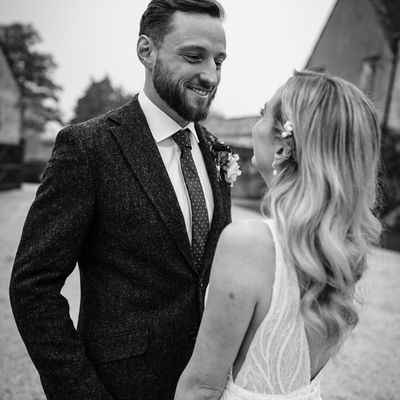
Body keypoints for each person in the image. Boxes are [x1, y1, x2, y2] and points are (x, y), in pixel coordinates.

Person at [9, 0, 232, 399]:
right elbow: (33, 287)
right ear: (146, 51)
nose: (210, 75)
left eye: (219, 61)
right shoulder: (88, 148)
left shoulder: (216, 152)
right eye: (193, 57)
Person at [175, 70, 382, 400]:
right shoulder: (340, 250)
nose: (256, 126)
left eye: (263, 113)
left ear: (284, 146)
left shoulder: (249, 243)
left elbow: (201, 388)